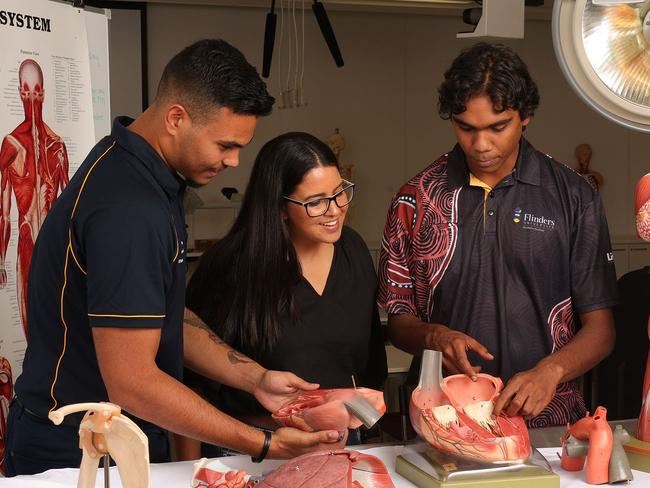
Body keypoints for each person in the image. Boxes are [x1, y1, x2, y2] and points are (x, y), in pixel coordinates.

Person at [5, 39, 344, 476]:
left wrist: (255, 378)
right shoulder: (130, 208)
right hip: (76, 453)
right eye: (225, 145)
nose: (235, 161)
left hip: (114, 441)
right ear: (176, 118)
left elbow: (157, 314)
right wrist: (263, 443)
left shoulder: (141, 172)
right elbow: (134, 383)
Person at [379, 43, 617, 428]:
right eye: (466, 128)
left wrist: (551, 372)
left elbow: (601, 330)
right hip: (444, 421)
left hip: (549, 421)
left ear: (526, 116)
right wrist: (435, 336)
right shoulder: (415, 199)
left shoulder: (575, 197)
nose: (481, 144)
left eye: (497, 126)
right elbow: (399, 322)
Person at [176, 132, 387, 460]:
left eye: (340, 193)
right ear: (279, 208)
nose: (335, 211)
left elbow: (368, 368)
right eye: (315, 201)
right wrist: (187, 471)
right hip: (248, 449)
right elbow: (189, 381)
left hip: (340, 444)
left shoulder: (354, 250)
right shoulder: (232, 265)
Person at [0, 59, 70, 337]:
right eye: (27, 91)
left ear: (45, 93)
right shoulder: (10, 145)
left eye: (37, 91)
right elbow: (3, 211)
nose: (32, 98)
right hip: (27, 247)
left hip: (56, 249)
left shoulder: (57, 145)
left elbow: (71, 203)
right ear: (18, 91)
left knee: (58, 326)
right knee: (33, 334)